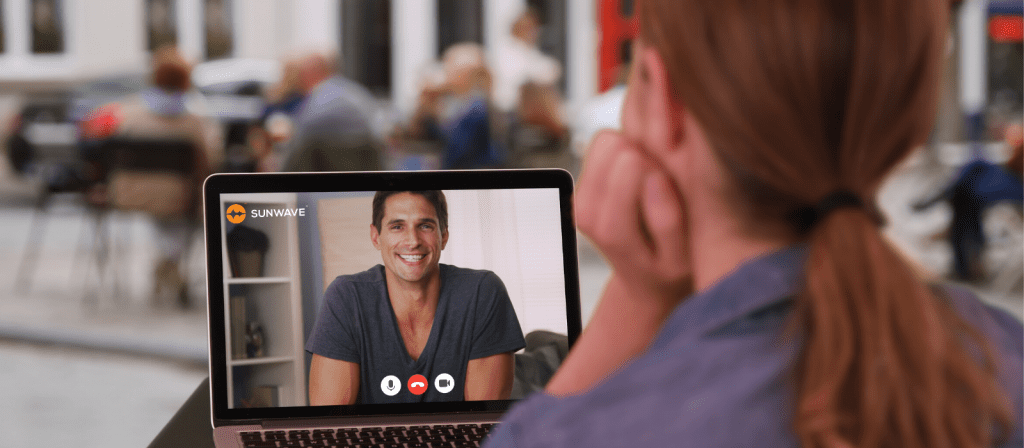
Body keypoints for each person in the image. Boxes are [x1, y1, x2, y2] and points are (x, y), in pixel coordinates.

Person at [486, 0, 1022, 447]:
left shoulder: (593, 430)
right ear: (905, 126)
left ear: (661, 101)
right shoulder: (1004, 352)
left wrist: (634, 300)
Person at [306, 190, 526, 405]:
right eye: (397, 226)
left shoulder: (482, 291)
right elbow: (330, 422)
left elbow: (482, 424)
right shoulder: (346, 297)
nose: (412, 241)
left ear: (444, 236)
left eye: (425, 226)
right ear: (376, 236)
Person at [281, 52, 381, 172]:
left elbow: (298, 141)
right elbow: (379, 130)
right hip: (365, 179)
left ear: (312, 73)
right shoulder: (357, 92)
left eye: (302, 74)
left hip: (321, 182)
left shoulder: (315, 102)